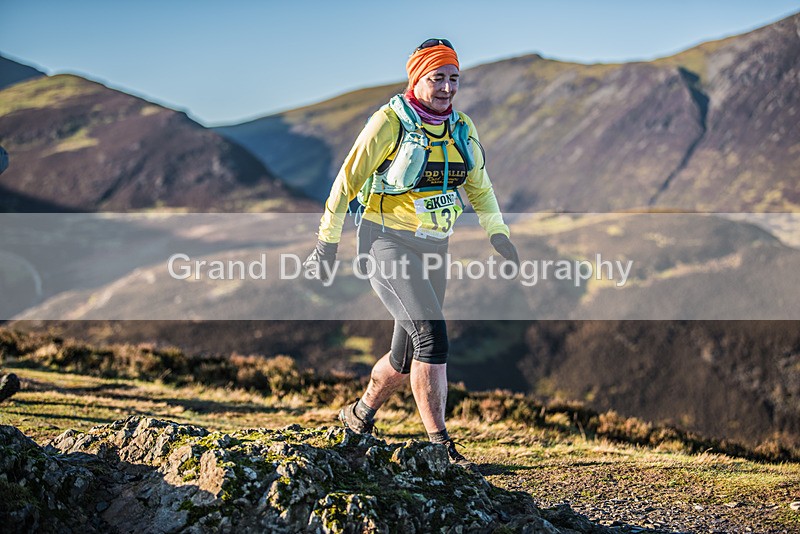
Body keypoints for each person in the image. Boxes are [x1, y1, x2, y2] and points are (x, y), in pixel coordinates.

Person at [305, 38, 520, 469]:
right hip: (386, 242)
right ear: (417, 77)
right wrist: (326, 244)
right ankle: (440, 447)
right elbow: (346, 184)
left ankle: (359, 414)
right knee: (432, 337)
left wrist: (498, 233)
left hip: (435, 248)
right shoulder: (388, 123)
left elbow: (479, 184)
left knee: (405, 359)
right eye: (437, 77)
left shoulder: (462, 128)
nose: (446, 87)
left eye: (453, 78)